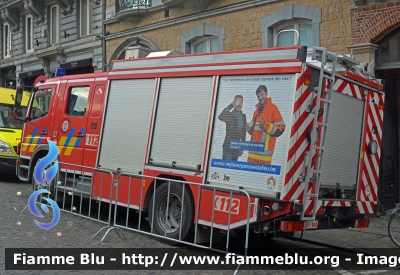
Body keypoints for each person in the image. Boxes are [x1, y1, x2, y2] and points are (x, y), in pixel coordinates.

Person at [247, 85, 285, 164]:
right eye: (258, 96)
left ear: (267, 93)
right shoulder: (256, 111)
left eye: (262, 94)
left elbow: (281, 129)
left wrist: (265, 125)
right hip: (252, 157)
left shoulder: (273, 109)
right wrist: (249, 129)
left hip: (264, 158)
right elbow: (254, 131)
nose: (260, 97)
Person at [218, 95, 247, 161]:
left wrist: (242, 148)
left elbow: (243, 133)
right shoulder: (229, 115)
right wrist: (231, 105)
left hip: (236, 150)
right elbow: (220, 116)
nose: (239, 105)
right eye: (237, 102)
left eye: (241, 102)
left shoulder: (243, 116)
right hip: (227, 149)